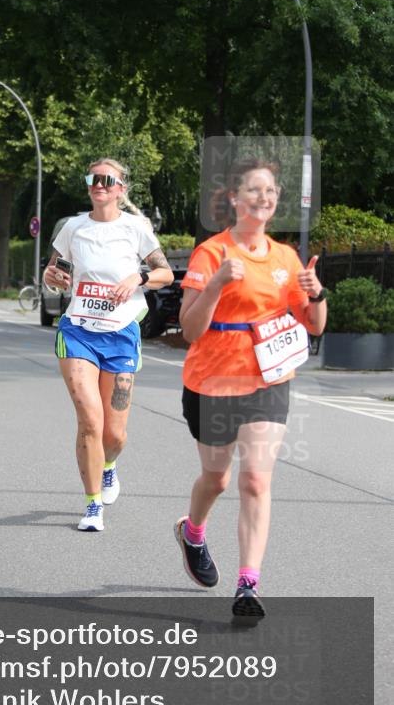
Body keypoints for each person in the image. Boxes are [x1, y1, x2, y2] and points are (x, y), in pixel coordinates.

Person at [175, 159, 327, 618]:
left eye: (270, 191)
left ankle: (248, 585)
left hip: (268, 379)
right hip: (213, 380)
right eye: (254, 190)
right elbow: (188, 329)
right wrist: (218, 284)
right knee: (217, 479)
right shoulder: (211, 253)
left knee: (256, 479)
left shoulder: (285, 258)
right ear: (235, 200)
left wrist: (316, 293)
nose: (264, 197)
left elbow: (314, 325)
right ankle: (193, 531)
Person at [43, 157, 173, 532]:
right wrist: (53, 277)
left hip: (120, 335)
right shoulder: (73, 228)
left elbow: (165, 273)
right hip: (78, 331)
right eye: (93, 178)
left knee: (113, 434)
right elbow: (53, 273)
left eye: (106, 180)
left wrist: (139, 277)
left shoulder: (136, 229)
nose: (98, 184)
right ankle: (92, 504)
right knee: (89, 420)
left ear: (121, 189)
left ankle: (110, 466)